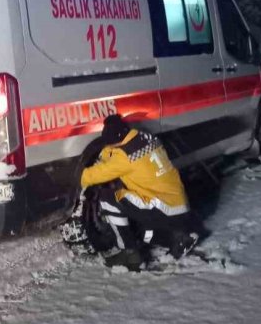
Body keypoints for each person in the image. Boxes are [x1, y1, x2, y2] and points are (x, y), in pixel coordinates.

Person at [79, 114, 199, 271]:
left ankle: (130, 254)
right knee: (144, 234)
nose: (112, 147)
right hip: (178, 203)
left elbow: (89, 176)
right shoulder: (146, 137)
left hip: (161, 207)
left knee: (108, 199)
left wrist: (75, 182)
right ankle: (178, 239)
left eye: (113, 144)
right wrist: (108, 152)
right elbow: (114, 151)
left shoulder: (124, 157)